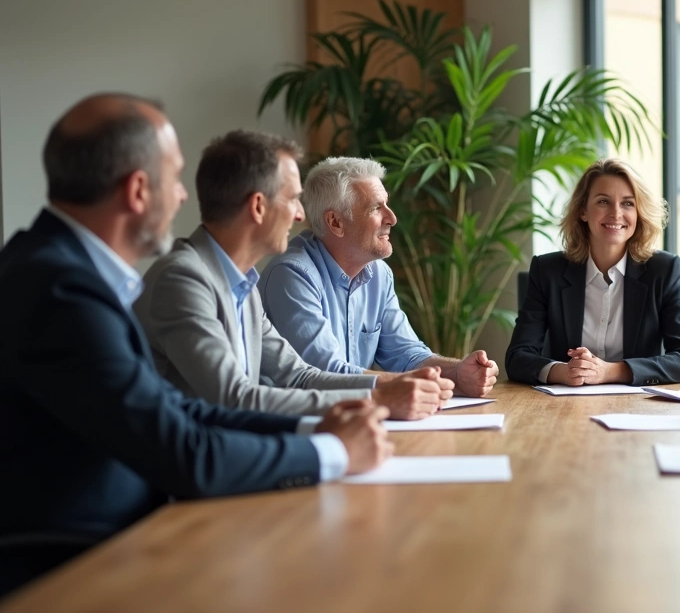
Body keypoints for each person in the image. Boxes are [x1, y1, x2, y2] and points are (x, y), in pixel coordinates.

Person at [0, 94, 392, 595]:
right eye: (174, 177)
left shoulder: (60, 271)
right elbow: (183, 449)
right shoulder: (62, 291)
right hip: (79, 565)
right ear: (139, 190)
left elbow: (175, 410)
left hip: (129, 534)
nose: (184, 197)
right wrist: (331, 452)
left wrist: (318, 424)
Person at [134, 131, 452, 419]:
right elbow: (232, 398)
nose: (301, 214)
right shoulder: (183, 279)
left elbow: (299, 376)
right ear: (258, 207)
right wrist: (380, 398)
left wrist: (393, 387)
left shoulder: (242, 283)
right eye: (292, 199)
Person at [259, 157, 497, 398]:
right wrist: (406, 384)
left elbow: (406, 354)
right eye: (375, 207)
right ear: (336, 222)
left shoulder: (378, 273)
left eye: (387, 204)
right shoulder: (292, 275)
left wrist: (457, 372)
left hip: (351, 419)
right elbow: (326, 375)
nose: (392, 218)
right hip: (292, 425)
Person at [504, 158, 680, 386]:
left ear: (639, 212)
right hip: (564, 407)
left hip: (640, 407)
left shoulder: (664, 270)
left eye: (628, 203)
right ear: (583, 211)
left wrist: (609, 371)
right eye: (603, 201)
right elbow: (517, 357)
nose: (616, 214)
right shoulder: (548, 271)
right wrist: (565, 372)